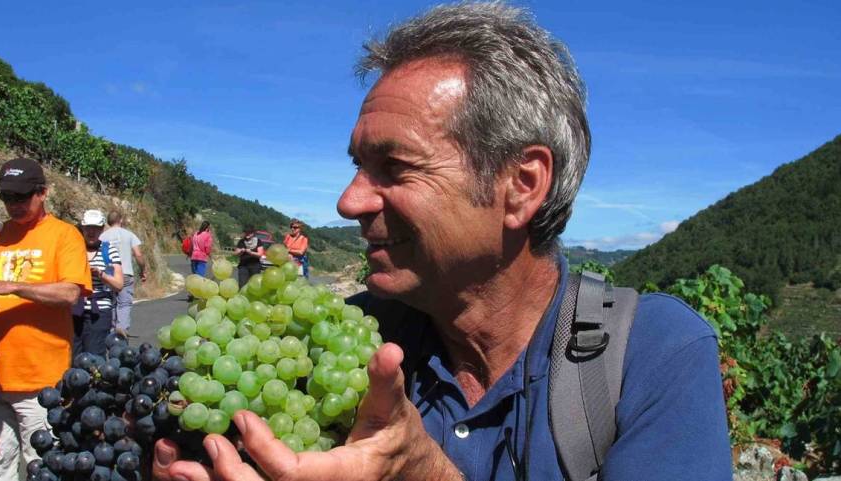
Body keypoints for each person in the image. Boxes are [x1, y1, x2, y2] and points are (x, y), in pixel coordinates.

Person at [153, 3, 731, 481]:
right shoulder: (347, 342)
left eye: (394, 166)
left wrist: (421, 473)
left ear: (521, 185)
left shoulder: (652, 357)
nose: (348, 201)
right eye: (358, 165)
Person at [0, 157, 92, 481]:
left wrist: (12, 286)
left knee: (43, 467)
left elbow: (69, 293)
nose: (14, 205)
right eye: (7, 198)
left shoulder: (64, 236)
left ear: (43, 193)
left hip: (41, 383)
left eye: (22, 197)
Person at [73, 209, 124, 354]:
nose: (91, 232)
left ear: (102, 229)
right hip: (74, 310)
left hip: (100, 313)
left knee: (95, 356)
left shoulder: (109, 251)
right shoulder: (73, 249)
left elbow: (119, 284)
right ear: (82, 228)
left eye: (95, 228)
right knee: (73, 356)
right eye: (88, 227)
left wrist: (100, 274)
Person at [99, 210, 146, 335]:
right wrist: (143, 270)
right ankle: (122, 329)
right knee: (124, 303)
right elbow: (138, 254)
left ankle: (112, 331)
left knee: (111, 302)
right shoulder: (129, 235)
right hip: (126, 273)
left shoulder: (102, 236)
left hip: (109, 275)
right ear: (120, 220)